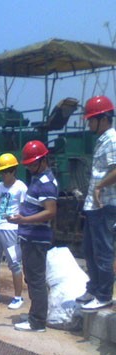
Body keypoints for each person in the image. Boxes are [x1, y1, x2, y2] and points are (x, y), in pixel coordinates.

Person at [7, 141, 57, 332]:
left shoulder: (46, 183)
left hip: (36, 238)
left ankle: (37, 322)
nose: (28, 167)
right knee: (32, 278)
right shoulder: (38, 179)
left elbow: (50, 212)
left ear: (42, 160)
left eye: (31, 163)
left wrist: (23, 220)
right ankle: (35, 315)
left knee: (35, 280)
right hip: (30, 238)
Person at [77, 95, 116, 310]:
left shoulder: (111, 140)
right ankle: (93, 288)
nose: (89, 123)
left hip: (105, 206)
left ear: (103, 118)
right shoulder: (102, 140)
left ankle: (103, 296)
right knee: (89, 250)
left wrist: (100, 187)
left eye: (92, 119)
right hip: (94, 207)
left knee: (103, 252)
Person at [0, 153, 27, 309]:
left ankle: (18, 297)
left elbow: (24, 210)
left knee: (14, 264)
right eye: (0, 172)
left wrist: (20, 223)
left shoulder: (21, 187)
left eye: (4, 172)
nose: (2, 175)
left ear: (13, 171)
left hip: (12, 230)